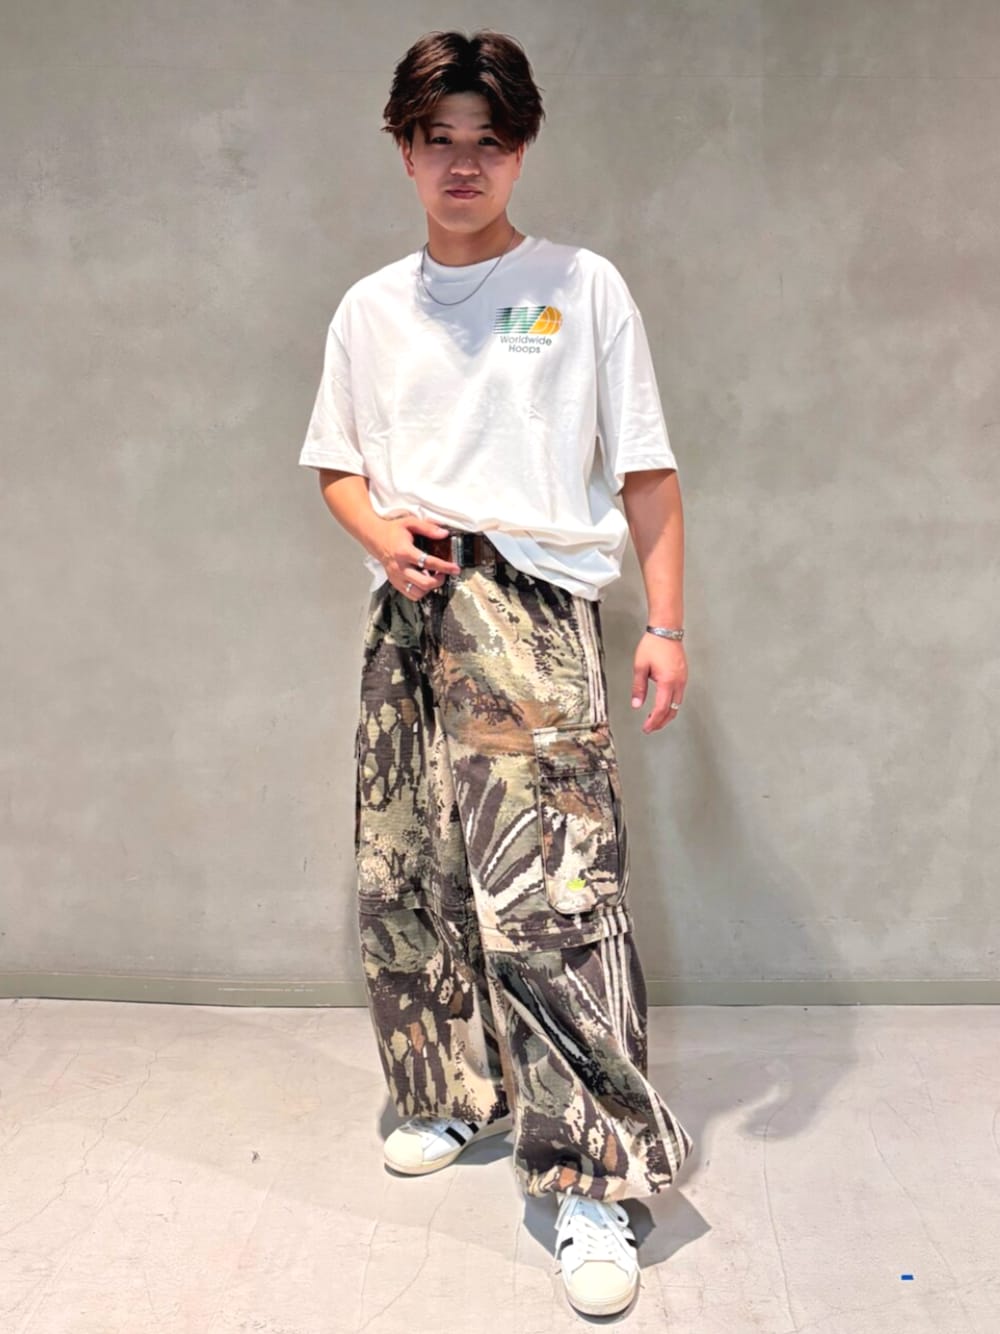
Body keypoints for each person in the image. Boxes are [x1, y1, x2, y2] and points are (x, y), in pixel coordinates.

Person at [298, 28, 694, 1319]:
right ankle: (450, 1089)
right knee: (409, 870)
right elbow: (338, 465)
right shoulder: (370, 309)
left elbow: (645, 469)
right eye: (438, 141)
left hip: (533, 614)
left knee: (558, 900)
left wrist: (664, 624)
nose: (462, 165)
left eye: (488, 141)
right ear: (404, 150)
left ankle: (592, 1175)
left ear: (521, 149)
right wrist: (379, 535)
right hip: (411, 611)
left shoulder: (581, 287)